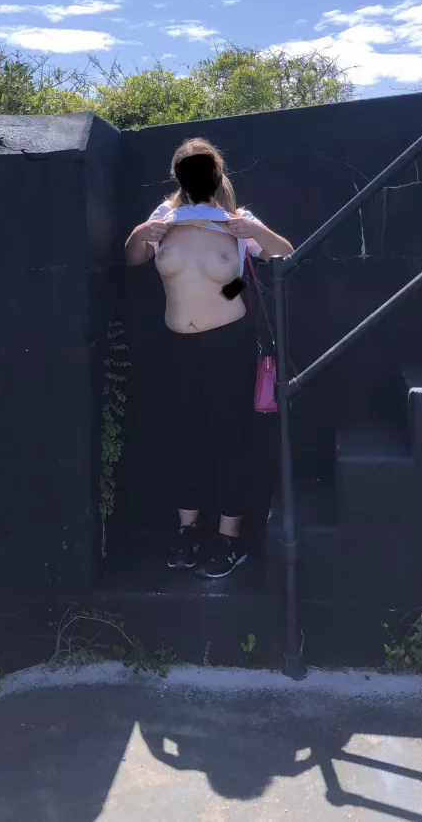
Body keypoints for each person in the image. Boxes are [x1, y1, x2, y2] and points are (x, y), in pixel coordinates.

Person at [125, 137, 293, 578]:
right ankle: (187, 531)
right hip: (176, 346)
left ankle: (228, 538)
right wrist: (140, 234)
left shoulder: (237, 219)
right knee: (183, 440)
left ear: (218, 173)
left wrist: (251, 232)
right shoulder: (163, 217)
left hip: (229, 347)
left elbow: (284, 254)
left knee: (229, 440)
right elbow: (134, 258)